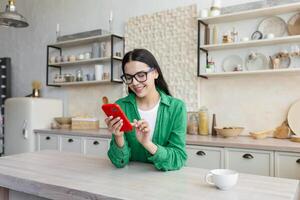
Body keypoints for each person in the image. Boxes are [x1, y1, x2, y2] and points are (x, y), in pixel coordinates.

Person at [105, 48, 187, 171]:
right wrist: (118, 136)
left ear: (155, 73)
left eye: (141, 75)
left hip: (165, 182)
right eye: (129, 77)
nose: (135, 82)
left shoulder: (176, 108)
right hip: (128, 182)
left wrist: (147, 143)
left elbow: (178, 158)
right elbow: (118, 162)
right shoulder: (121, 106)